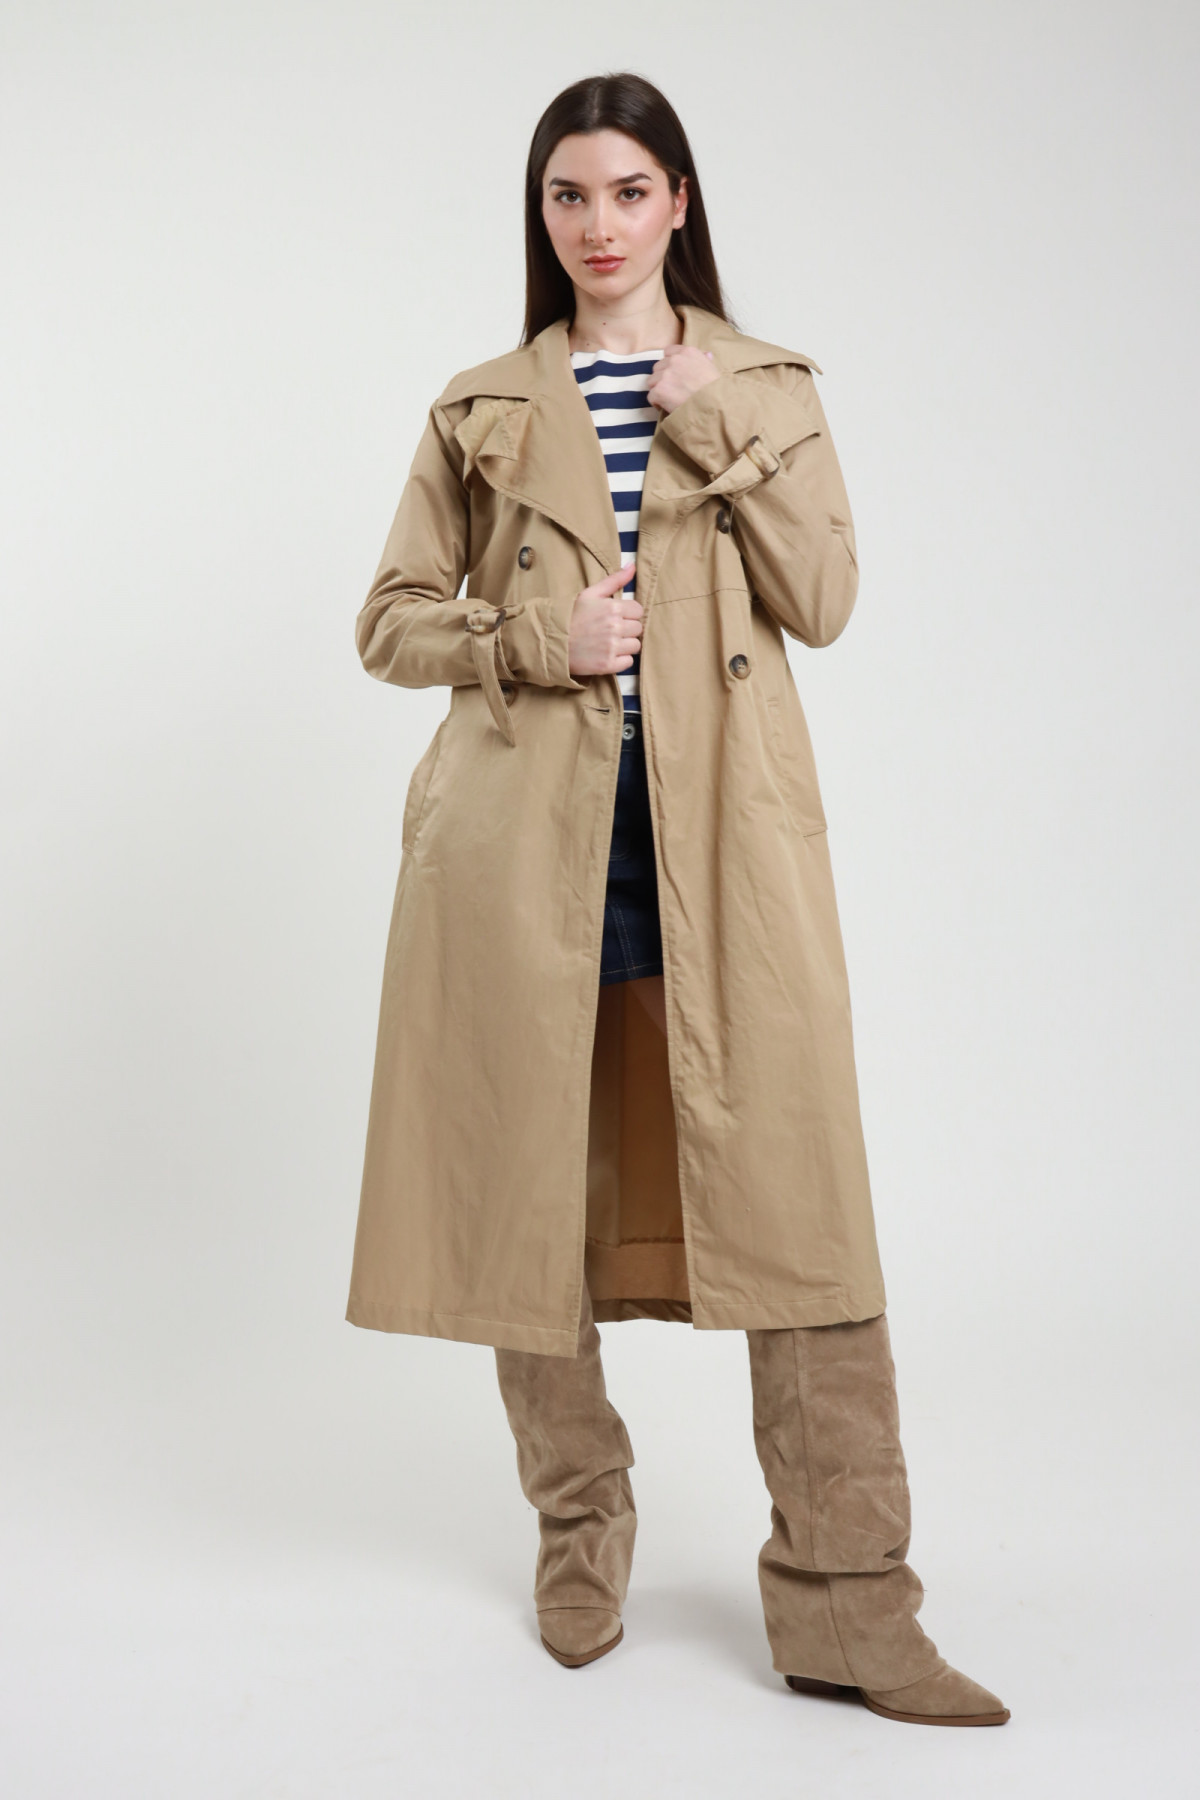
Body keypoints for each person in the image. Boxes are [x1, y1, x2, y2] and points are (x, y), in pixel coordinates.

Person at [346, 71, 1009, 1728]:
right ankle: (582, 1528)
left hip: (726, 846)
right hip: (525, 850)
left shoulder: (762, 384)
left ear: (680, 203)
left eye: (629, 191)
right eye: (569, 195)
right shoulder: (484, 405)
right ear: (543, 213)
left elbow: (825, 597)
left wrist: (709, 421)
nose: (599, 224)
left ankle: (850, 1601)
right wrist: (536, 639)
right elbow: (390, 619)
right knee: (530, 1194)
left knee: (801, 1204)